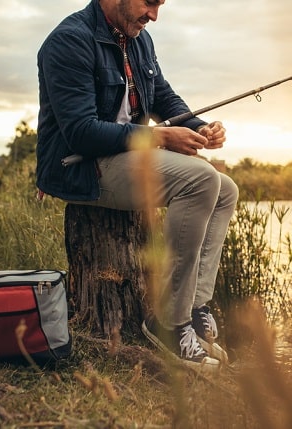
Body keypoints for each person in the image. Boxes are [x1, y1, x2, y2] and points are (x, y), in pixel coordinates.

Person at [36, 0, 238, 371]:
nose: (154, 16)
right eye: (149, 2)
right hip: (80, 167)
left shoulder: (140, 40)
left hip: (122, 159)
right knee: (201, 179)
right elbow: (81, 133)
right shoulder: (69, 40)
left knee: (226, 189)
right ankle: (169, 324)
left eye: (159, 5)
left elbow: (164, 97)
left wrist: (198, 128)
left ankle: (193, 307)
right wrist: (160, 137)